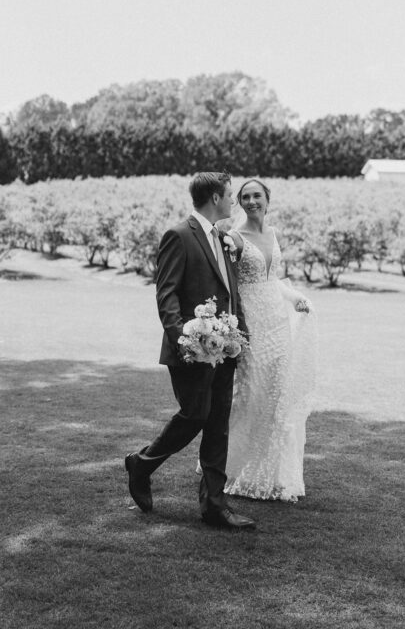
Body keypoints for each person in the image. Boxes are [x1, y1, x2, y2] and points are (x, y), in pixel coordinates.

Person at [124, 171, 256, 531]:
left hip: (226, 347)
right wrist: (184, 339)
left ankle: (215, 505)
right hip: (191, 348)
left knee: (218, 425)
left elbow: (231, 293)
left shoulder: (225, 238)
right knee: (195, 415)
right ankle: (142, 463)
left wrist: (239, 339)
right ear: (215, 197)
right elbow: (166, 293)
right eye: (230, 194)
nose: (235, 201)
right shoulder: (180, 235)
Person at [224, 178, 317, 502]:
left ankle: (274, 472)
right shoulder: (234, 239)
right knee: (250, 397)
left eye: (257, 195)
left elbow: (271, 279)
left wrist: (295, 298)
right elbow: (231, 286)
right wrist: (237, 325)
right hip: (251, 326)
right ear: (239, 202)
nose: (251, 201)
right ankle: (234, 467)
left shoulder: (273, 233)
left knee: (277, 400)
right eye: (245, 197)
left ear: (267, 199)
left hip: (278, 324)